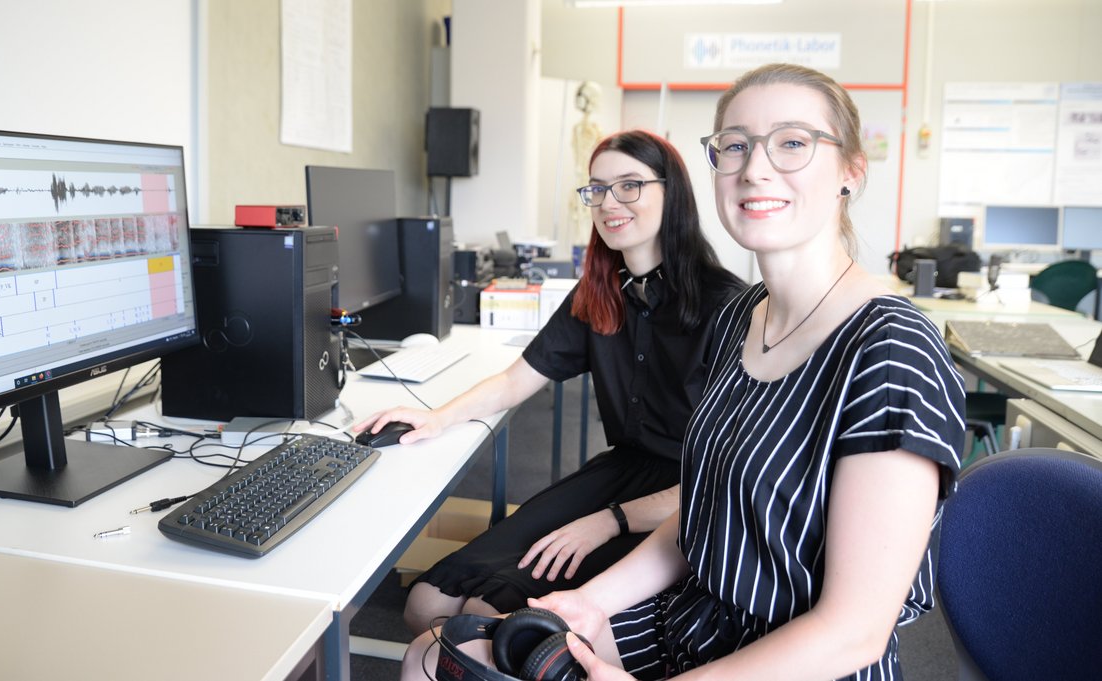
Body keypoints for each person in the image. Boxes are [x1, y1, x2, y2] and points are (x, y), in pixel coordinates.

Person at [401, 63, 966, 681]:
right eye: (735, 145)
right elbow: (704, 513)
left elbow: (851, 634)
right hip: (696, 619)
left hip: (796, 659)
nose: (755, 167)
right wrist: (589, 604)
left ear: (851, 172)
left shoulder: (891, 351)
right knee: (433, 654)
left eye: (793, 143)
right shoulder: (743, 321)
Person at [355, 129, 745, 635]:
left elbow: (727, 479)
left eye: (630, 185)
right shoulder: (601, 293)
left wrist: (610, 520)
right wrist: (435, 417)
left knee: (488, 622)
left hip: (682, 497)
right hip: (616, 473)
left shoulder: (729, 306)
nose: (609, 203)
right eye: (597, 189)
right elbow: (515, 381)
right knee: (425, 604)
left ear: (672, 195)